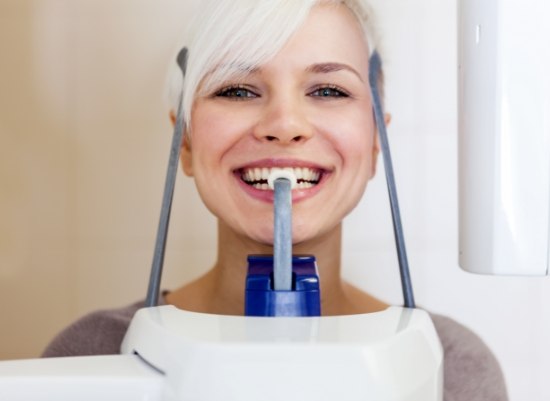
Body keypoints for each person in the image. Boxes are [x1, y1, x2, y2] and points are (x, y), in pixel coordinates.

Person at [43, 1, 508, 400]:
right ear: (184, 143)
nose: (284, 124)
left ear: (373, 144)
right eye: (237, 89)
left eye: (328, 90)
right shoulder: (90, 354)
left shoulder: (454, 366)